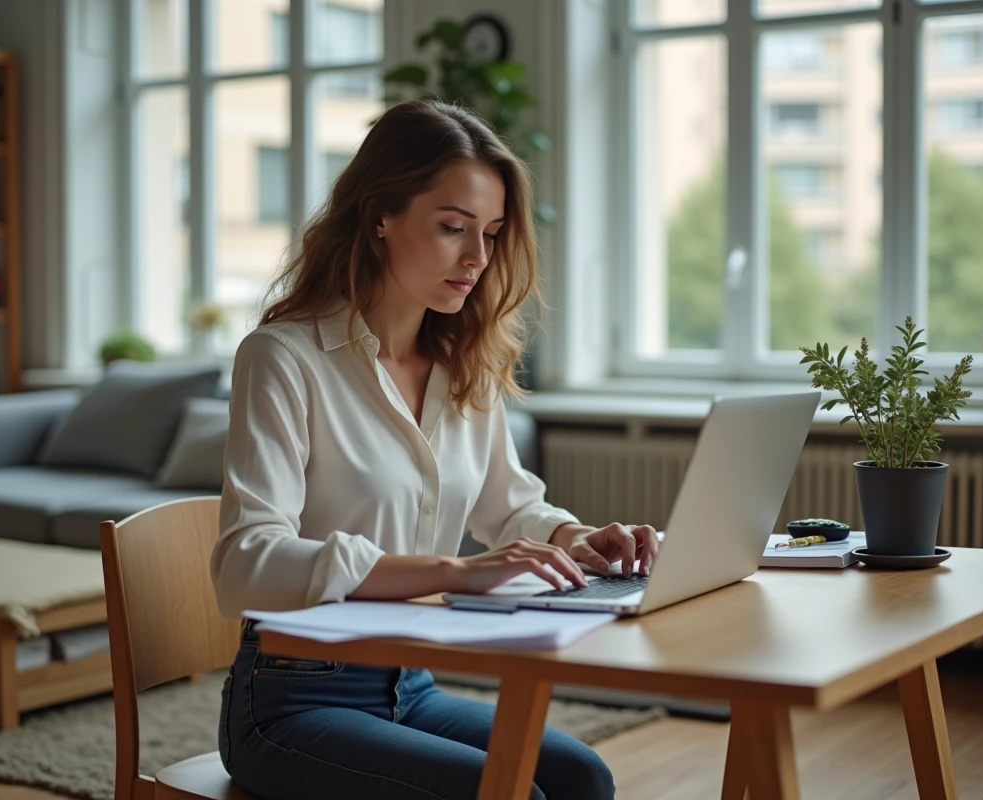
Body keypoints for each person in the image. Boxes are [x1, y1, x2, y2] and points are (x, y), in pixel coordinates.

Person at [212, 98, 658, 800]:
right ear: (380, 217)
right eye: (453, 228)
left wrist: (577, 540)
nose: (478, 258)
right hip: (289, 700)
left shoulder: (460, 363)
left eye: (491, 232)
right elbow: (245, 564)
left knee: (582, 777)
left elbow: (510, 509)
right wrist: (451, 570)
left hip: (409, 685)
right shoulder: (283, 357)